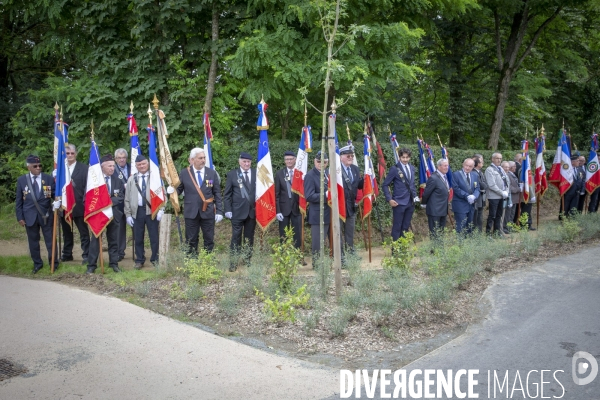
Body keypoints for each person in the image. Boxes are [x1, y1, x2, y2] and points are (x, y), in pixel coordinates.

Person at [174, 148, 223, 254]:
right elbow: (179, 190)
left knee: (209, 239)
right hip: (191, 212)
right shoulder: (185, 173)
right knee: (191, 240)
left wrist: (219, 211)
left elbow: (217, 193)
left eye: (204, 158)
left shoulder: (211, 173)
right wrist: (172, 191)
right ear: (193, 159)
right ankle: (192, 264)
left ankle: (207, 264)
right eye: (200, 158)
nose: (203, 160)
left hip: (208, 211)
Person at [16, 155, 59, 273]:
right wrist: (20, 217)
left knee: (50, 240)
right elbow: (19, 200)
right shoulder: (22, 180)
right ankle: (37, 264)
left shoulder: (48, 179)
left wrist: (57, 201)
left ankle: (53, 263)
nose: (38, 168)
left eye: (40, 165)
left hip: (46, 215)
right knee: (33, 242)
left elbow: (55, 194)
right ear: (28, 167)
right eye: (35, 166)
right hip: (29, 216)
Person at [124, 155, 164, 270]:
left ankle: (155, 259)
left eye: (143, 164)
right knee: (138, 237)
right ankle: (139, 259)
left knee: (154, 237)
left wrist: (161, 210)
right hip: (137, 212)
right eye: (139, 165)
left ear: (148, 164)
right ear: (136, 166)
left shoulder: (155, 178)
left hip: (152, 211)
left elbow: (163, 194)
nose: (141, 166)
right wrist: (128, 215)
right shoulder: (132, 179)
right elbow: (127, 198)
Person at [87, 154, 124, 274]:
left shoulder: (117, 181)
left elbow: (121, 197)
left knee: (113, 240)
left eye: (113, 166)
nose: (112, 168)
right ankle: (91, 265)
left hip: (113, 214)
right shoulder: (95, 181)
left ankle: (114, 263)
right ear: (102, 167)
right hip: (98, 214)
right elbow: (90, 197)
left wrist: (107, 201)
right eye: (109, 166)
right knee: (95, 240)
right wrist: (103, 202)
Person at [57, 144, 90, 265]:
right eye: (67, 153)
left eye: (72, 153)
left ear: (76, 154)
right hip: (64, 205)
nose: (70, 155)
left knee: (83, 233)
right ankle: (67, 254)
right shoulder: (59, 169)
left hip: (79, 206)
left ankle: (86, 254)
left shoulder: (85, 168)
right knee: (66, 233)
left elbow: (88, 188)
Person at [224, 152, 257, 272]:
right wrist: (227, 209)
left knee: (249, 238)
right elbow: (227, 194)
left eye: (248, 162)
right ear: (239, 162)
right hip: (237, 212)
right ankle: (233, 262)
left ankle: (247, 260)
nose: (247, 164)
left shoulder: (256, 173)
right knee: (236, 238)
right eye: (244, 161)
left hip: (252, 212)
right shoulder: (233, 174)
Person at [382, 147, 418, 241]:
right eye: (403, 157)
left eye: (407, 157)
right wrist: (389, 199)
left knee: (405, 227)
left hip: (410, 202)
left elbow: (412, 184)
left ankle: (403, 250)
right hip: (398, 202)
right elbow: (385, 185)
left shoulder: (412, 168)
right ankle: (395, 251)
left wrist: (415, 197)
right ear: (399, 157)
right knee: (397, 227)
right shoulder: (394, 169)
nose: (405, 159)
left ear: (409, 157)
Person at [304, 151, 330, 263]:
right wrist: (325, 195)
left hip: (331, 212)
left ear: (327, 162)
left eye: (323, 162)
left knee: (335, 239)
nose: (321, 164)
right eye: (318, 161)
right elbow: (309, 196)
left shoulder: (329, 173)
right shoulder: (310, 175)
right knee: (317, 242)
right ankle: (316, 264)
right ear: (314, 161)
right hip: (318, 214)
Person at [339, 145, 363, 257]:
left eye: (352, 156)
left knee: (350, 232)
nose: (350, 157)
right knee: (338, 233)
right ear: (340, 157)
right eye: (348, 155)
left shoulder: (355, 169)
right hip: (339, 207)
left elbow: (358, 185)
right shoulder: (335, 170)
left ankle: (351, 253)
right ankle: (341, 256)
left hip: (351, 207)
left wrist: (366, 178)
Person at [275, 151, 302, 249]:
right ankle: (283, 258)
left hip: (297, 208)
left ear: (295, 160)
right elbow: (276, 194)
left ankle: (298, 255)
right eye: (287, 159)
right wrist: (277, 211)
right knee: (283, 234)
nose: (289, 161)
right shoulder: (279, 174)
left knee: (298, 233)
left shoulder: (300, 173)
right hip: (283, 209)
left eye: (291, 159)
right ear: (284, 161)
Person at [421, 158, 450, 239]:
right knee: (434, 233)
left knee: (441, 233)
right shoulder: (433, 178)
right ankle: (434, 251)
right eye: (445, 166)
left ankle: (440, 250)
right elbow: (426, 193)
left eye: (447, 165)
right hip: (434, 211)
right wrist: (424, 203)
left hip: (443, 210)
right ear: (439, 167)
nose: (447, 167)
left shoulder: (444, 177)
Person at [452, 158, 480, 234]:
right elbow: (456, 188)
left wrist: (474, 196)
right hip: (460, 204)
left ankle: (468, 244)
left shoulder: (475, 175)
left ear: (473, 167)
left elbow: (477, 188)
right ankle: (460, 244)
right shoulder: (456, 174)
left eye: (470, 166)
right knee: (461, 226)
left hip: (471, 205)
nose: (467, 168)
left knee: (469, 226)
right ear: (463, 165)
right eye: (466, 165)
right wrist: (467, 196)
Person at [485, 153, 509, 236]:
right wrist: (501, 192)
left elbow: (506, 181)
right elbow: (491, 185)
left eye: (500, 158)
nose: (499, 160)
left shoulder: (500, 169)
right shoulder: (489, 169)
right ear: (492, 159)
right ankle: (488, 233)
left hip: (502, 196)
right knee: (492, 215)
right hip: (494, 196)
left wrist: (506, 191)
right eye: (497, 158)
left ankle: (497, 232)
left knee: (499, 215)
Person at [114, 148, 130, 261]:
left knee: (137, 227)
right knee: (119, 228)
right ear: (115, 159)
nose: (121, 160)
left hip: (132, 202)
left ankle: (139, 252)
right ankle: (119, 252)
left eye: (123, 157)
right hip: (118, 202)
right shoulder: (112, 168)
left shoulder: (132, 168)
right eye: (119, 158)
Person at [472, 154, 488, 232]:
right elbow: (482, 185)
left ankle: (479, 232)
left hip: (481, 198)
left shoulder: (480, 172)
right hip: (477, 198)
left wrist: (485, 185)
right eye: (481, 162)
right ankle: (477, 233)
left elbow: (484, 183)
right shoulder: (474, 173)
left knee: (479, 216)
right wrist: (485, 185)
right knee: (476, 217)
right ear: (478, 164)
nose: (483, 163)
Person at [505, 161, 520, 231]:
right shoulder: (508, 175)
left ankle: (510, 227)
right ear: (510, 167)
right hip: (511, 198)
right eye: (514, 166)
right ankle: (506, 227)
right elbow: (509, 187)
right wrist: (518, 189)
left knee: (512, 214)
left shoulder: (513, 175)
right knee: (508, 214)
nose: (515, 167)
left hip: (515, 198)